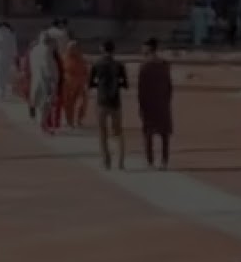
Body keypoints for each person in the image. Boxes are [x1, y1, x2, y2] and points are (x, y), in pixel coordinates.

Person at [87, 40, 128, 169]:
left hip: (102, 101)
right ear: (113, 50)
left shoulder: (97, 64)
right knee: (118, 132)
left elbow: (90, 84)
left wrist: (99, 85)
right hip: (115, 101)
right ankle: (121, 161)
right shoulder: (119, 65)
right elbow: (125, 84)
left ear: (101, 49)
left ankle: (106, 161)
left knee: (102, 132)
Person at [137, 38, 173, 169]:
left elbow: (141, 89)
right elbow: (169, 86)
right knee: (164, 135)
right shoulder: (164, 64)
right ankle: (164, 161)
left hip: (149, 104)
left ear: (148, 48)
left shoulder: (144, 66)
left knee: (148, 134)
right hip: (162, 103)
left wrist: (141, 106)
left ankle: (150, 161)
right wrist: (167, 100)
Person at [27, 30, 61, 133]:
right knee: (46, 103)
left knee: (40, 101)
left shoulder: (35, 49)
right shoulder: (46, 50)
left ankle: (41, 122)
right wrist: (52, 82)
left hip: (37, 78)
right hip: (46, 80)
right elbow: (47, 66)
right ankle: (43, 124)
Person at [60, 41, 88, 128]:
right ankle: (70, 121)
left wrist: (87, 81)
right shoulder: (64, 58)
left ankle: (79, 119)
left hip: (81, 83)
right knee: (69, 104)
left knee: (82, 101)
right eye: (71, 47)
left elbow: (86, 70)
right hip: (68, 84)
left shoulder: (81, 58)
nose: (73, 49)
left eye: (75, 47)